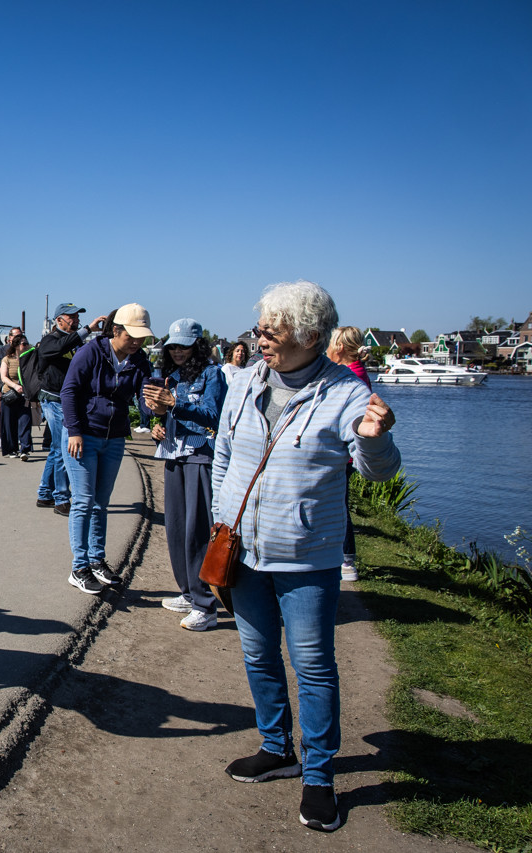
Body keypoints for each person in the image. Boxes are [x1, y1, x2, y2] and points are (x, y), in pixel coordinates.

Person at [214, 281, 399, 832]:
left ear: (312, 336)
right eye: (261, 326)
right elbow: (225, 454)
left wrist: (373, 438)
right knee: (258, 656)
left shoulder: (345, 393)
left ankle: (319, 777)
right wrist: (221, 521)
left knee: (314, 668)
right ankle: (278, 748)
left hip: (307, 559)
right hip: (242, 552)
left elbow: (379, 470)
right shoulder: (245, 382)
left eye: (275, 328)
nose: (262, 337)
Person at [141, 319, 228, 631]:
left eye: (184, 345)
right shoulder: (171, 377)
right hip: (172, 455)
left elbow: (213, 416)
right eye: (173, 346)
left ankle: (206, 605)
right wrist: (157, 424)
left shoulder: (212, 374)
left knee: (197, 531)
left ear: (198, 346)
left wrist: (174, 404)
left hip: (200, 457)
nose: (178, 351)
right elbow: (161, 413)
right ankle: (189, 592)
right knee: (177, 529)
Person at [61, 304, 154, 594]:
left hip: (114, 438)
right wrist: (74, 431)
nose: (137, 342)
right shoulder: (91, 352)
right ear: (116, 330)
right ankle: (79, 568)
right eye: (132, 335)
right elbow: (70, 390)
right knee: (84, 500)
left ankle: (96, 559)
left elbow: (143, 395)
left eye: (142, 337)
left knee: (102, 502)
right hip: (84, 435)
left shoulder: (140, 361)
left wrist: (152, 410)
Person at [35, 303, 111, 516]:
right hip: (54, 399)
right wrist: (87, 329)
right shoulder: (50, 341)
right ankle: (61, 499)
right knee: (62, 448)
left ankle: (44, 493)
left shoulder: (74, 342)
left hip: (65, 400)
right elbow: (60, 348)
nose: (76, 320)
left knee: (56, 450)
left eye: (77, 317)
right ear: (59, 320)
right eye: (72, 317)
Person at [326, 326, 372, 582]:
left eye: (331, 343)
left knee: (337, 504)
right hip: (345, 451)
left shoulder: (350, 377)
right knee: (338, 503)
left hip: (344, 452)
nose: (327, 348)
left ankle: (346, 560)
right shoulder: (354, 372)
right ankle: (344, 557)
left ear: (340, 347)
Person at [0, 334, 34, 460]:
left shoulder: (30, 359)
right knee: (10, 423)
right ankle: (12, 449)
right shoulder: (7, 359)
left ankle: (25, 449)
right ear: (16, 346)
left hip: (25, 395)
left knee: (25, 421)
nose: (26, 345)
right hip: (10, 395)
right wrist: (15, 386)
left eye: (27, 343)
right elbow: (3, 377)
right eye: (24, 344)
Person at [0, 327, 22, 451]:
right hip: (2, 384)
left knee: (19, 413)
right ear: (10, 338)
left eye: (21, 335)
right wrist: (3, 370)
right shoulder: (1, 350)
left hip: (19, 385)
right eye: (16, 336)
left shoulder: (24, 349)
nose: (19, 338)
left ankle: (15, 436)